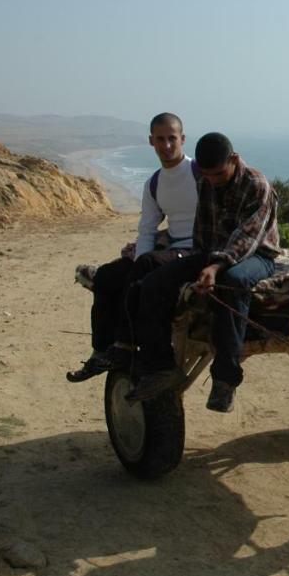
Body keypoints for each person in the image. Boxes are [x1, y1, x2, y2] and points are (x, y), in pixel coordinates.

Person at [126, 132, 280, 412]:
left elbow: (246, 238)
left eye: (219, 174)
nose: (213, 180)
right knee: (153, 283)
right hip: (213, 254)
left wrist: (214, 267)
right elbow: (203, 234)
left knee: (233, 282)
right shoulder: (205, 180)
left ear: (233, 160)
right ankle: (160, 366)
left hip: (258, 256)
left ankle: (225, 379)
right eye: (207, 175)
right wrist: (195, 264)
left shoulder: (257, 185)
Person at [65, 112, 199, 382]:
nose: (167, 145)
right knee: (106, 276)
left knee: (145, 268)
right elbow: (147, 229)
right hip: (170, 249)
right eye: (160, 139)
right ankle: (101, 351)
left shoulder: (200, 173)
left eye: (172, 138)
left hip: (197, 250)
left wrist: (143, 264)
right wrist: (138, 260)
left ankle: (125, 345)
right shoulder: (155, 183)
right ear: (151, 141)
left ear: (183, 139)